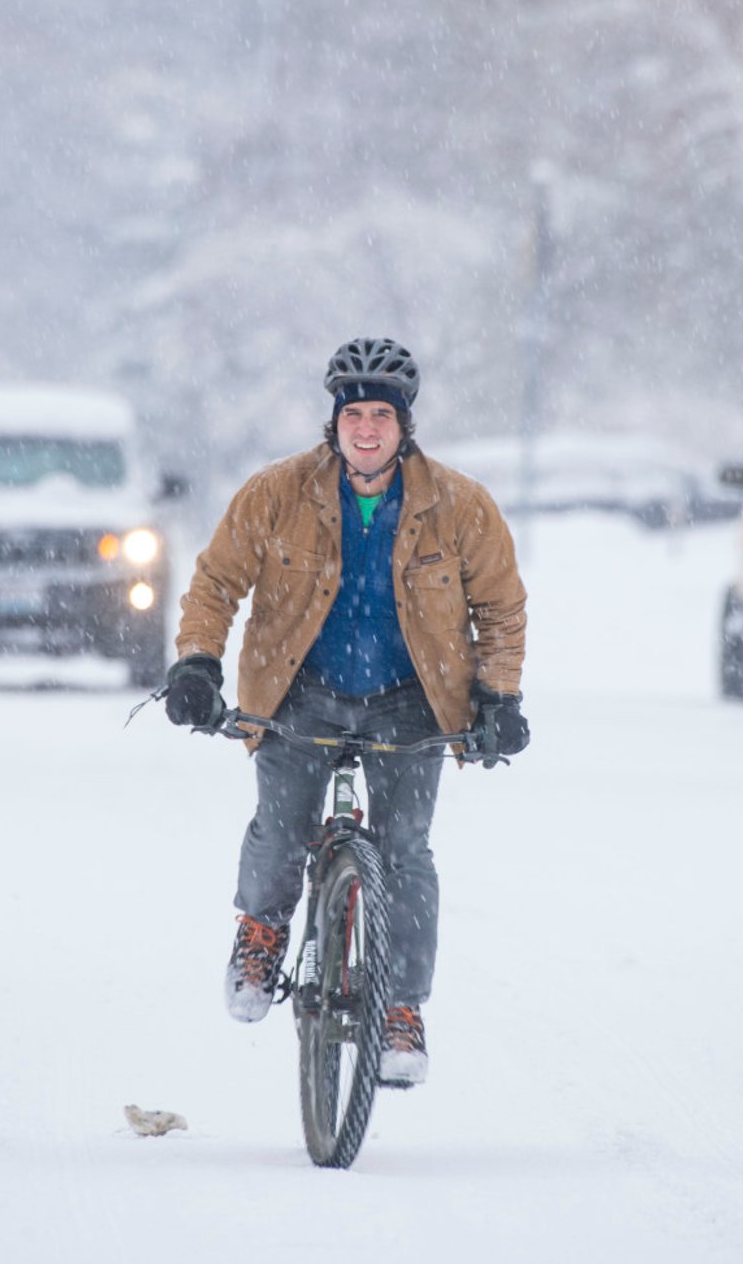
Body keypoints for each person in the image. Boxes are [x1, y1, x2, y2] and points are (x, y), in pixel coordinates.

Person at [163, 337, 528, 1086]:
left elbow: (500, 606)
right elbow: (216, 582)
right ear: (333, 423)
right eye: (353, 414)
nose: (367, 429)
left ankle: (400, 1009)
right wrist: (197, 662)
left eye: (381, 417)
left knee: (406, 855)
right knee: (282, 825)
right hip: (302, 692)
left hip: (411, 703)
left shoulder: (459, 506)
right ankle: (262, 936)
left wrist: (500, 696)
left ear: (405, 427)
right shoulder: (277, 493)